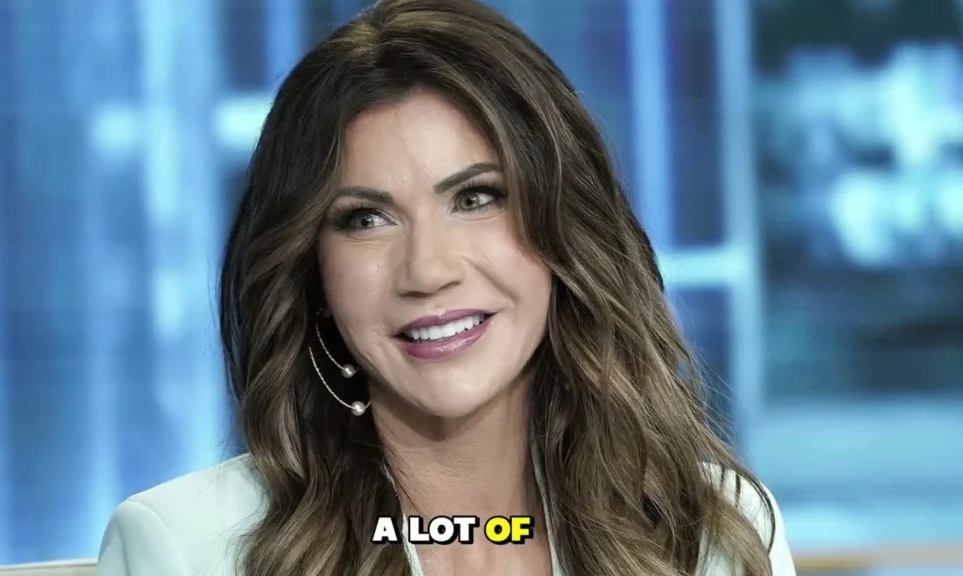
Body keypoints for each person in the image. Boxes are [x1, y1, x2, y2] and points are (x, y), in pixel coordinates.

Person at [97, 0, 796, 574]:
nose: (428, 271)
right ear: (312, 272)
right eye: (365, 219)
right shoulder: (186, 549)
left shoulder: (714, 533)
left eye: (475, 198)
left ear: (565, 228)